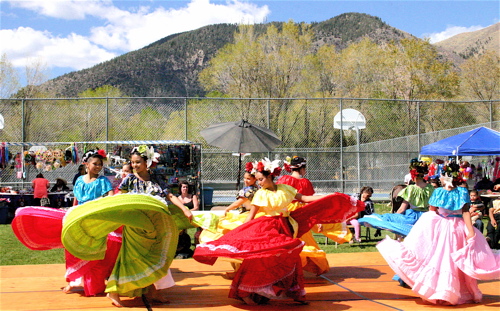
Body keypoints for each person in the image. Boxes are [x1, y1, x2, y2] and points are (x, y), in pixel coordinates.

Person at [194, 158, 365, 305]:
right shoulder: (260, 194)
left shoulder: (285, 188)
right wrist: (238, 234)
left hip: (286, 226)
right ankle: (245, 291)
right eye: (258, 180)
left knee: (291, 257)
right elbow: (251, 216)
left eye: (261, 179)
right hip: (266, 228)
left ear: (270, 176)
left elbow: (305, 198)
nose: (259, 182)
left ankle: (293, 292)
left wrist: (329, 197)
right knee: (262, 259)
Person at [376, 165, 500, 305]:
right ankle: (442, 291)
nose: (439, 178)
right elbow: (432, 211)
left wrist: (470, 230)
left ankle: (452, 291)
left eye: (441, 175)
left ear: (448, 177)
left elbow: (465, 211)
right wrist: (429, 228)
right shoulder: (438, 191)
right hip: (442, 227)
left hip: (457, 229)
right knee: (440, 258)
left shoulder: (461, 191)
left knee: (453, 259)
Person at [106, 145, 193, 307]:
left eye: (138, 162)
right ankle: (114, 291)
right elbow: (118, 198)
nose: (134, 165)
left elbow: (170, 195)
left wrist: (184, 209)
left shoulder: (157, 178)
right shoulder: (129, 180)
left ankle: (154, 291)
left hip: (156, 224)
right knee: (131, 259)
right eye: (132, 162)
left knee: (157, 257)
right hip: (135, 227)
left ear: (147, 162)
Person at [65, 149, 116, 296]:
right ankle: (73, 281)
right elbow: (76, 200)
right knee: (74, 249)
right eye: (95, 163)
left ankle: (93, 284)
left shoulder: (103, 181)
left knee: (95, 251)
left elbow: (111, 198)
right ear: (87, 164)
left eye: (100, 164)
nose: (98, 166)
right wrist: (71, 214)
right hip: (79, 219)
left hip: (96, 220)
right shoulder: (80, 180)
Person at [276, 156, 330, 275]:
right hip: (301, 212)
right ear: (302, 169)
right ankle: (305, 265)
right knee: (303, 238)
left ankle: (285, 267)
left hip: (286, 211)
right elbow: (308, 201)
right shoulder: (305, 182)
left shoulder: (284, 179)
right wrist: (317, 220)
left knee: (286, 238)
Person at [358, 159, 434, 237]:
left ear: (413, 175)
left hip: (412, 218)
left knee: (388, 218)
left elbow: (402, 209)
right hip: (426, 217)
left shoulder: (410, 189)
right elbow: (433, 207)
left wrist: (395, 219)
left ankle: (399, 239)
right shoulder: (431, 188)